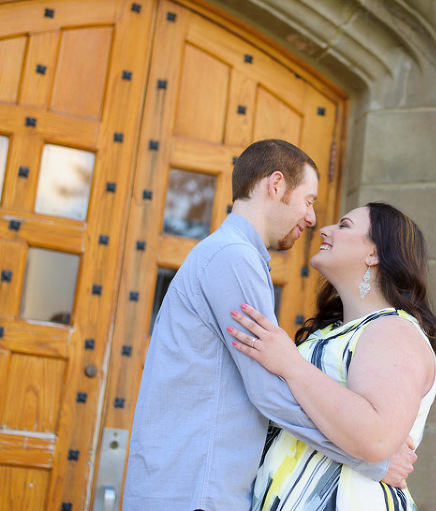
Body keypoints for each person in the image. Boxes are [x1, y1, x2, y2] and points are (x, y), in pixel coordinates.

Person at [123, 141, 414, 511]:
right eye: (308, 201)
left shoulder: (230, 255)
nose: (311, 219)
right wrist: (373, 459)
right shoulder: (234, 258)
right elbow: (268, 390)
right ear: (275, 185)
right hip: (197, 491)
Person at [227, 202, 436, 510]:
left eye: (344, 226)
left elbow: (376, 437)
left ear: (374, 254)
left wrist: (291, 365)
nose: (325, 229)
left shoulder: (393, 330)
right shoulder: (333, 331)